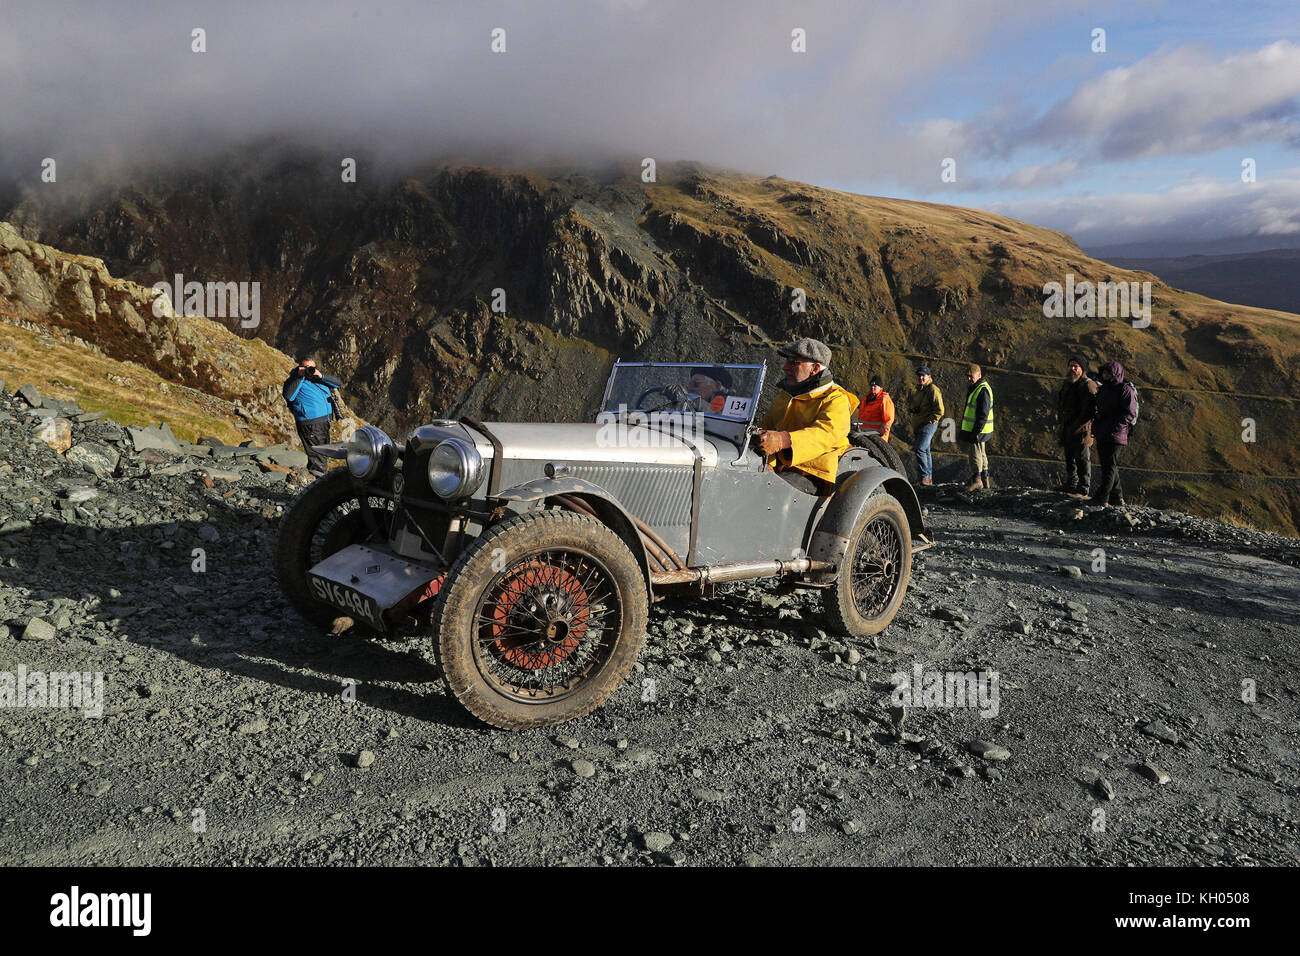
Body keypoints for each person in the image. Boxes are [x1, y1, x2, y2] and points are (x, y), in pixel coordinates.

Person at [755, 338, 855, 495]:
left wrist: (783, 440)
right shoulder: (786, 394)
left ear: (814, 368)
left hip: (812, 471)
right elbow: (768, 426)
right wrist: (767, 458)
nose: (785, 367)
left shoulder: (835, 398)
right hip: (780, 464)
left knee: (770, 494)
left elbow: (825, 434)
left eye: (794, 362)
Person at [283, 358, 343, 477]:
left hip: (323, 422)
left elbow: (338, 382)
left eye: (312, 368)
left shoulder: (319, 378)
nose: (309, 370)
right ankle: (317, 483)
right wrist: (299, 376)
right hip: (310, 423)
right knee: (317, 455)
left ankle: (317, 480)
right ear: (300, 367)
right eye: (306, 367)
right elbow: (289, 396)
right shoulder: (295, 380)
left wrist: (320, 375)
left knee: (323, 452)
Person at [1091, 360, 1137, 507]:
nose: (1105, 375)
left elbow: (1129, 413)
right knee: (1109, 465)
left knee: (1109, 466)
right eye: (1104, 373)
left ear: (1116, 373)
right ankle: (1117, 498)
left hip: (1116, 433)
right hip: (1103, 432)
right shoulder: (1104, 389)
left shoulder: (1125, 389)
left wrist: (1116, 426)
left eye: (1109, 373)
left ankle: (1102, 497)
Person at [1057, 356, 1097, 498]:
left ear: (1082, 368)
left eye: (1076, 366)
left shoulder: (1088, 385)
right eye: (1071, 366)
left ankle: (1083, 488)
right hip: (1067, 428)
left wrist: (1077, 426)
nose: (1072, 368)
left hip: (1082, 430)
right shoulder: (1068, 383)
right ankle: (1071, 484)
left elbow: (1089, 412)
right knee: (1069, 458)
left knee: (1082, 459)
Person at [959, 363, 994, 491]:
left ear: (979, 375)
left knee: (975, 454)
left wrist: (975, 431)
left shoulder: (982, 390)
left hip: (978, 429)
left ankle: (977, 479)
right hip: (982, 430)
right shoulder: (979, 387)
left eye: (971, 376)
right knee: (982, 453)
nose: (969, 378)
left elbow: (982, 414)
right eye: (967, 376)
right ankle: (985, 480)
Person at [910, 365, 944, 485]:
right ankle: (927, 478)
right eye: (919, 375)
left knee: (919, 449)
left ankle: (924, 477)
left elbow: (940, 410)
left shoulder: (933, 389)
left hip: (928, 424)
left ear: (929, 376)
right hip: (920, 423)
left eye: (923, 375)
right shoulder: (920, 389)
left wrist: (929, 420)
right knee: (926, 450)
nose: (921, 378)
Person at [856, 376, 895, 441]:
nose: (872, 387)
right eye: (871, 385)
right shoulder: (865, 399)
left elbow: (888, 419)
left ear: (880, 388)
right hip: (863, 434)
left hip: (876, 437)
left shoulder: (884, 399)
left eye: (875, 386)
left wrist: (881, 434)